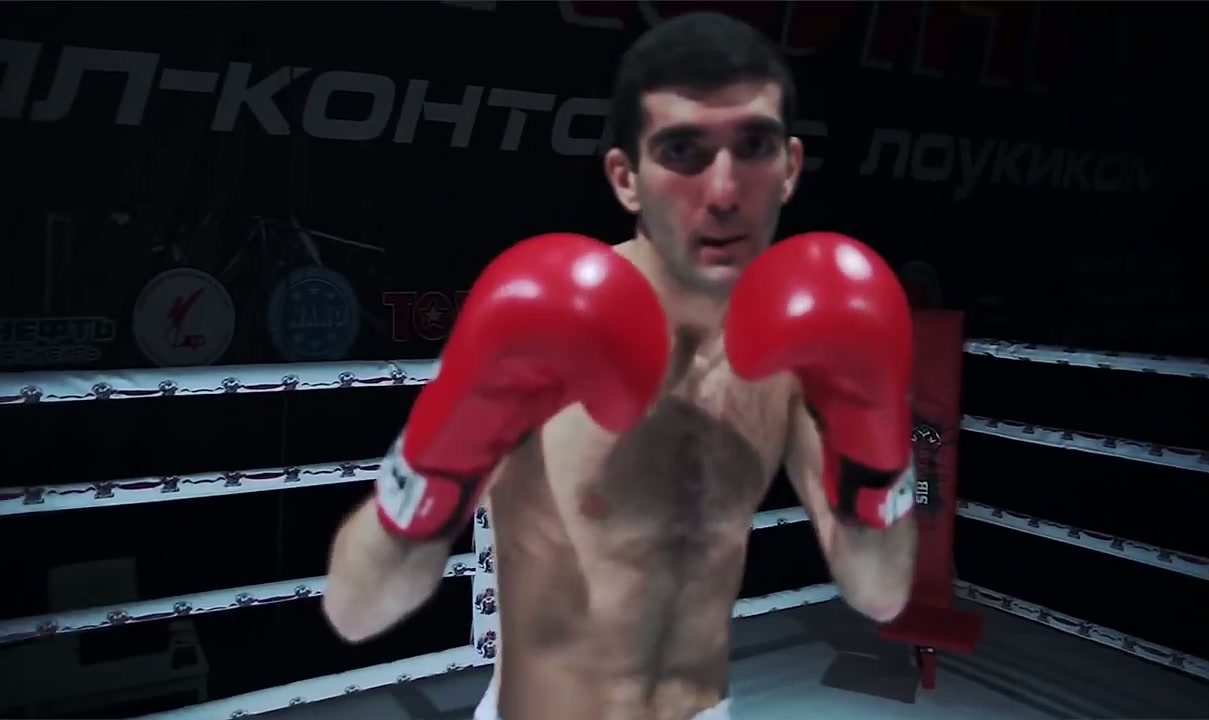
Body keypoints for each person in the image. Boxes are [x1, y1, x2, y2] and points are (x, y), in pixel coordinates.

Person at [323, 11, 918, 720]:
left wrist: (880, 448)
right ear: (626, 177)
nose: (724, 191)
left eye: (753, 146)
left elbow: (880, 593)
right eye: (683, 151)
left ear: (789, 167)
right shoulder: (549, 324)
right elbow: (356, 611)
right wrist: (439, 452)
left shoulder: (798, 351)